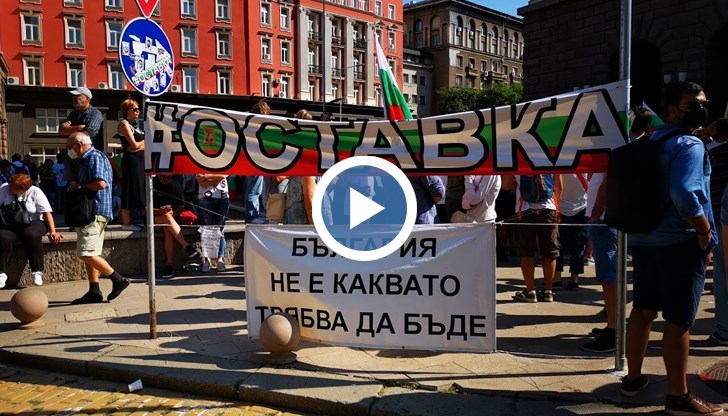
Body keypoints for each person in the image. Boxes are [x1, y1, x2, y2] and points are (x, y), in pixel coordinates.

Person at [622, 82, 724, 416]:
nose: (701, 109)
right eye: (693, 104)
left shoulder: (648, 140)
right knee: (679, 320)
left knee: (643, 309)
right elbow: (684, 193)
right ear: (671, 109)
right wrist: (704, 229)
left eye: (704, 103)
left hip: (644, 238)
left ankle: (633, 379)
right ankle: (678, 396)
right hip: (680, 241)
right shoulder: (689, 144)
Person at [580, 105, 654, 353]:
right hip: (606, 218)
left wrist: (594, 215)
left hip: (604, 219)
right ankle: (613, 325)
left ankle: (614, 330)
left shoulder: (620, 148)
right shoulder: (627, 146)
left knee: (609, 277)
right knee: (610, 276)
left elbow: (607, 184)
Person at [65, 132, 130, 304]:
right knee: (91, 253)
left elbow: (100, 183)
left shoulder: (94, 157)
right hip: (91, 211)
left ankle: (118, 279)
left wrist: (78, 186)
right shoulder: (87, 158)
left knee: (85, 253)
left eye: (69, 147)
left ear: (79, 145)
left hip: (94, 211)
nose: (68, 150)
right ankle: (94, 291)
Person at [0, 174, 62, 288]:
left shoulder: (35, 191)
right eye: (10, 186)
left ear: (24, 189)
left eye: (13, 188)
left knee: (31, 234)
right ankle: (1, 273)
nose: (10, 189)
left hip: (33, 221)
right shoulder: (4, 189)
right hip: (10, 223)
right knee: (3, 237)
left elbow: (46, 212)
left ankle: (37, 271)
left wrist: (53, 231)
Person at [510, 174, 562, 303]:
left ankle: (530, 291)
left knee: (526, 252)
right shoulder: (552, 162)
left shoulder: (518, 163)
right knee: (549, 251)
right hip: (548, 208)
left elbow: (506, 185)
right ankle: (548, 291)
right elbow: (559, 186)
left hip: (524, 210)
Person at [153, 174, 199, 279]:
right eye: (162, 176)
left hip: (170, 219)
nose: (165, 179)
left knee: (168, 230)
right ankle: (186, 245)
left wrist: (172, 213)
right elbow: (144, 209)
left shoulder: (176, 186)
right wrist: (159, 211)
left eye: (168, 177)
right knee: (165, 217)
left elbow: (181, 206)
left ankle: (169, 265)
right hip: (154, 218)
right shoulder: (151, 185)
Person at [707, 117, 728, 346]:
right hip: (720, 217)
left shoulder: (712, 153)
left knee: (721, 272)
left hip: (717, 219)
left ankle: (724, 329)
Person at [553, 173, 588, 290]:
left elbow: (557, 186)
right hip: (582, 206)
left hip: (560, 207)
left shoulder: (560, 165)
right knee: (579, 245)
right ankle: (574, 280)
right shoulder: (584, 166)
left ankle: (557, 278)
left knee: (557, 243)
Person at [117, 98, 146, 231]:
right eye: (135, 109)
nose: (138, 111)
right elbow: (133, 146)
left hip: (140, 161)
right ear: (127, 110)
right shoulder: (124, 124)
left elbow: (136, 146)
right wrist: (146, 141)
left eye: (138, 109)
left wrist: (142, 145)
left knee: (140, 188)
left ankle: (142, 219)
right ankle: (127, 222)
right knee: (130, 188)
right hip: (132, 162)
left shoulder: (135, 126)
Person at [196, 174, 229, 272]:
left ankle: (220, 259)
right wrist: (216, 178)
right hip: (205, 197)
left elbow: (224, 175)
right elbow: (200, 180)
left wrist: (206, 177)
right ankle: (207, 259)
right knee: (207, 229)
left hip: (222, 197)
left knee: (220, 229)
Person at [244, 100, 270, 224]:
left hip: (253, 160)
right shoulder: (257, 127)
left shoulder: (249, 125)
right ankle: (251, 216)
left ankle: (253, 215)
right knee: (254, 189)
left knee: (254, 188)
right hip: (255, 160)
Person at [59, 87, 105, 152]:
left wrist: (69, 129)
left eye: (77, 95)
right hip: (74, 153)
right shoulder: (73, 113)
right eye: (73, 96)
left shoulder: (95, 113)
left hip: (90, 153)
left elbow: (89, 132)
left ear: (87, 98)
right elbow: (61, 131)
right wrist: (80, 127)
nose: (74, 98)